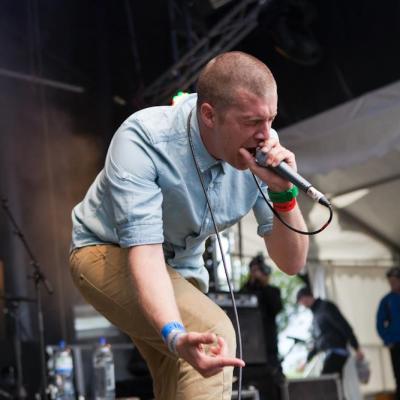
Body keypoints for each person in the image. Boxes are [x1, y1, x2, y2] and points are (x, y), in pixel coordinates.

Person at [69, 51, 309, 400]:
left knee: (186, 373)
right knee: (213, 336)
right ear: (209, 115)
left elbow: (291, 263)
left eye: (270, 119)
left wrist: (284, 193)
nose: (265, 135)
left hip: (180, 270)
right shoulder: (145, 139)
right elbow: (146, 255)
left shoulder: (260, 154)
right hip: (103, 251)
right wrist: (174, 334)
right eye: (252, 122)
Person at [296, 287, 364, 381]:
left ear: (304, 298)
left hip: (337, 350)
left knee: (326, 382)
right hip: (329, 353)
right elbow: (318, 341)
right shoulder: (316, 314)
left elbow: (343, 326)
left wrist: (356, 347)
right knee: (332, 383)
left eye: (301, 302)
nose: (302, 306)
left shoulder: (326, 307)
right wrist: (307, 360)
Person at [241, 254, 284, 399]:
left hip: (269, 352)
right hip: (248, 353)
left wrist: (263, 283)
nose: (256, 273)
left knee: (274, 389)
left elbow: (276, 307)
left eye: (258, 270)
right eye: (253, 270)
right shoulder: (246, 290)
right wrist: (251, 281)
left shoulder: (272, 291)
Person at [376, 266, 400, 400]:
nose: (392, 284)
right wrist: (387, 339)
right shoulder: (387, 301)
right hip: (396, 344)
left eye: (395, 281)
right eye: (390, 282)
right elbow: (380, 323)